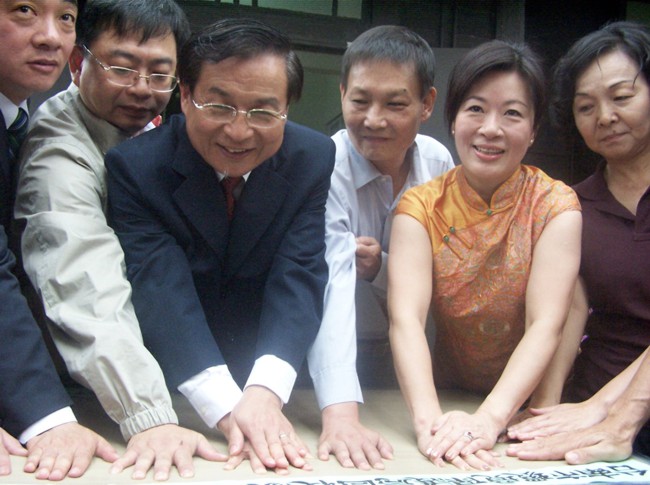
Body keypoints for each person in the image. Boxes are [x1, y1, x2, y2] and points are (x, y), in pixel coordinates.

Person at [105, 19, 336, 475]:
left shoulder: (311, 158)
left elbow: (299, 272)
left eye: (263, 112)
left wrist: (265, 394)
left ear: (287, 108)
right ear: (185, 96)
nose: (239, 131)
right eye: (219, 105)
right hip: (174, 389)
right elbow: (161, 288)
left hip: (272, 380)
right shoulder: (137, 167)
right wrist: (230, 412)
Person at [14, 0, 226, 480]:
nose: (142, 89)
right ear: (77, 62)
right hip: (88, 393)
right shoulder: (59, 154)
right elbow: (84, 281)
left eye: (160, 74)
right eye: (122, 68)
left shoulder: (155, 133)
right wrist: (149, 414)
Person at [387, 39, 582, 471]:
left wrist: (491, 419)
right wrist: (429, 424)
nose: (491, 129)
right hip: (449, 392)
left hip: (532, 406)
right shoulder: (420, 207)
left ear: (533, 129)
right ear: (453, 118)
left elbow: (546, 322)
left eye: (512, 113)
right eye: (475, 109)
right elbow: (406, 319)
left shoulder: (555, 205)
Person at [307, 25, 453, 470]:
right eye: (360, 100)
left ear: (426, 103)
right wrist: (339, 413)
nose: (373, 119)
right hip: (332, 357)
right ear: (342, 94)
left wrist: (382, 268)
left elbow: (446, 267)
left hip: (415, 358)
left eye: (395, 104)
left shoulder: (439, 163)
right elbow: (331, 283)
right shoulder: (324, 166)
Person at [506, 21, 650, 460]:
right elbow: (569, 313)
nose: (604, 117)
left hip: (617, 418)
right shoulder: (571, 206)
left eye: (622, 97)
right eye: (585, 106)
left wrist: (611, 411)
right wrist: (544, 409)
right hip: (584, 420)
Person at [0, 0, 118, 480]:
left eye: (65, 17)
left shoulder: (24, 119)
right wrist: (48, 419)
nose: (50, 36)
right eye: (24, 10)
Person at [506, 347, 650, 463]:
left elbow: (620, 427)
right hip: (584, 404)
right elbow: (569, 318)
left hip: (631, 418)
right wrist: (546, 403)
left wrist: (621, 422)